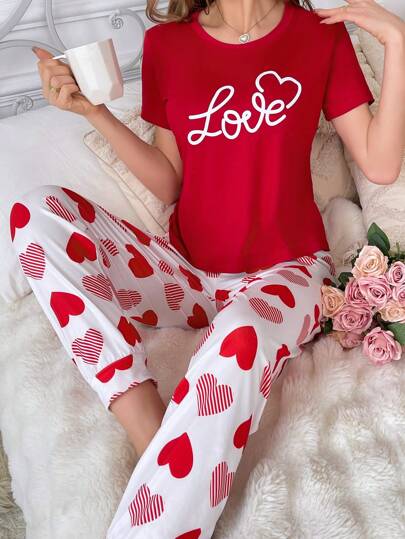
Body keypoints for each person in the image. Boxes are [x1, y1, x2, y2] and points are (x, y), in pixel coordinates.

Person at [10, 0, 405, 537]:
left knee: (239, 334)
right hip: (187, 277)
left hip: (286, 273)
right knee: (35, 214)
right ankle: (150, 431)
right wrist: (93, 112)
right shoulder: (167, 45)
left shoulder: (319, 37)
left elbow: (380, 163)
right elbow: (169, 181)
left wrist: (396, 43)